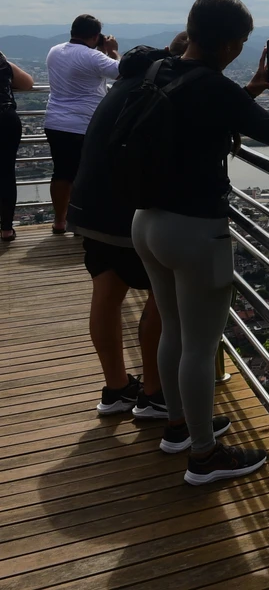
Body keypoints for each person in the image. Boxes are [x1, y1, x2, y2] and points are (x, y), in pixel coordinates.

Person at [132, 0, 269, 485]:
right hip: (194, 231)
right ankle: (204, 457)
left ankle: (178, 428)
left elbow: (197, 117)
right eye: (243, 43)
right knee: (201, 346)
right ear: (230, 42)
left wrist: (248, 89)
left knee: (173, 330)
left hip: (146, 221)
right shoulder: (213, 86)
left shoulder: (160, 72)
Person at [68, 32, 190, 416]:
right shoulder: (174, 83)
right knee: (162, 299)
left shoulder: (131, 77)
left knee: (106, 293)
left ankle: (117, 387)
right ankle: (155, 393)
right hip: (129, 210)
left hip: (90, 203)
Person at [44, 15, 121, 234]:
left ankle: (59, 221)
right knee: (87, 174)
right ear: (96, 36)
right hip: (85, 124)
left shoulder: (54, 50)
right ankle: (82, 224)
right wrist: (113, 50)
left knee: (61, 173)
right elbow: (123, 72)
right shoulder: (94, 57)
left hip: (55, 122)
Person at [0, 51, 35, 242]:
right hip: (5, 118)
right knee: (6, 174)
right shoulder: (2, 63)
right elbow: (27, 83)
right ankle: (6, 228)